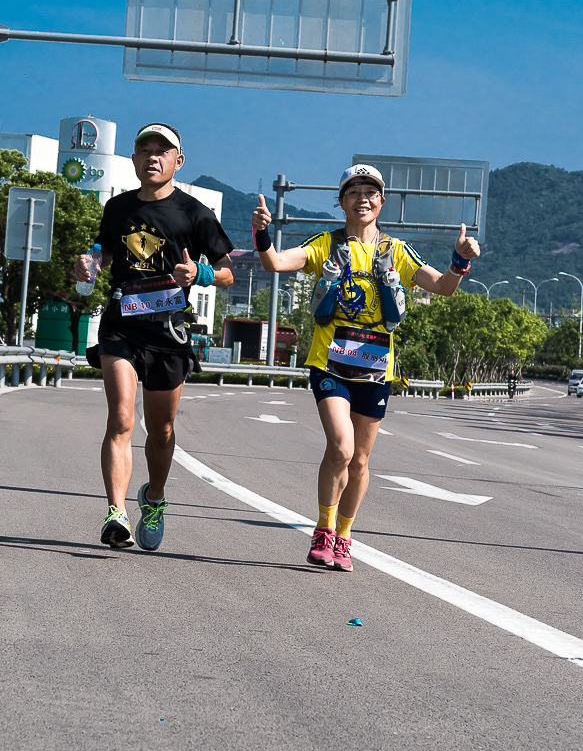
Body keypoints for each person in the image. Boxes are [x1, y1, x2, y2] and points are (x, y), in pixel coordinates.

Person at [251, 163, 480, 572]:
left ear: (382, 201)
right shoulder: (327, 244)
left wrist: (459, 261)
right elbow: (274, 263)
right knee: (340, 447)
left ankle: (344, 534)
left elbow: (442, 287)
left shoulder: (396, 251)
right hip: (331, 362)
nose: (363, 198)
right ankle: (322, 529)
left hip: (376, 367)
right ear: (340, 201)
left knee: (359, 461)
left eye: (371, 192)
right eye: (354, 191)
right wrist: (262, 233)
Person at [74, 123, 235, 551]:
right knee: (122, 419)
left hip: (168, 330)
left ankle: (154, 497)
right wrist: (90, 262)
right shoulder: (118, 208)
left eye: (161, 151)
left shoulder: (195, 213)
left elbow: (228, 273)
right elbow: (104, 249)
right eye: (144, 149)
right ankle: (116, 512)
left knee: (161, 430)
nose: (152, 156)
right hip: (122, 324)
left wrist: (199, 273)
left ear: (177, 161)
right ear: (133, 160)